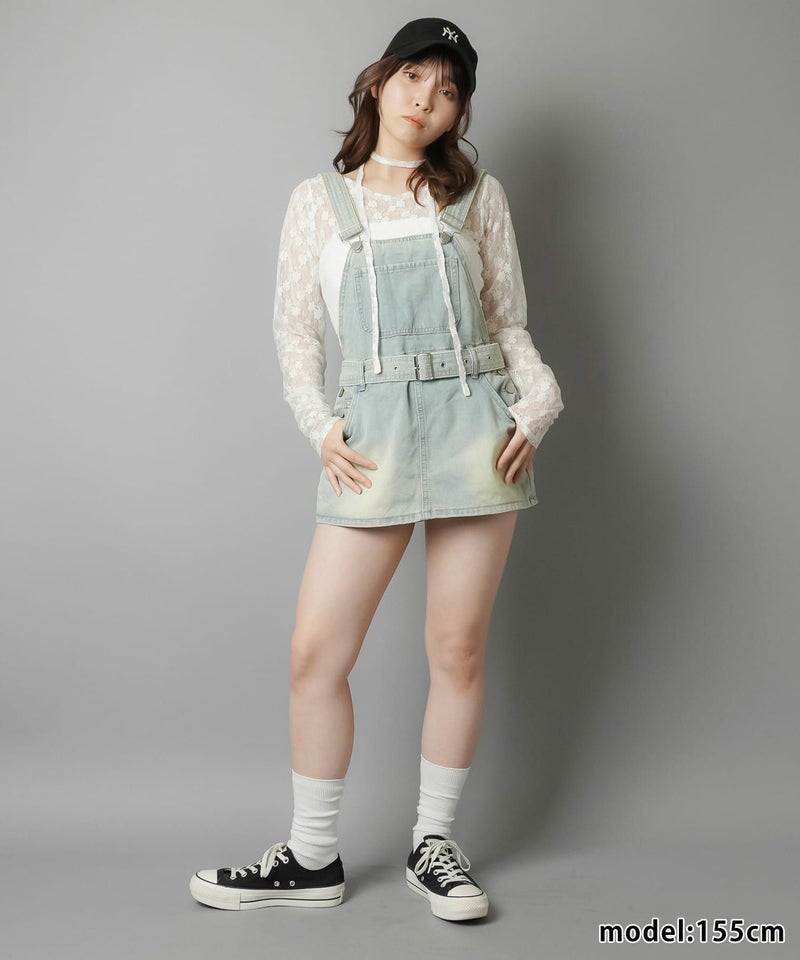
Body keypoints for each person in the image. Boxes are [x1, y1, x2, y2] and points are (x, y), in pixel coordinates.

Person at [189, 16, 564, 923]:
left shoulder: (479, 197)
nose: (428, 99)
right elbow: (295, 333)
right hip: (374, 438)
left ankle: (435, 844)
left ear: (460, 111)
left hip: (477, 425)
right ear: (378, 81)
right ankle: (312, 856)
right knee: (316, 654)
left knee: (457, 650)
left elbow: (507, 320)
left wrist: (541, 399)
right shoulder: (319, 201)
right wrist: (320, 426)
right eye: (414, 77)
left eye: (449, 89)